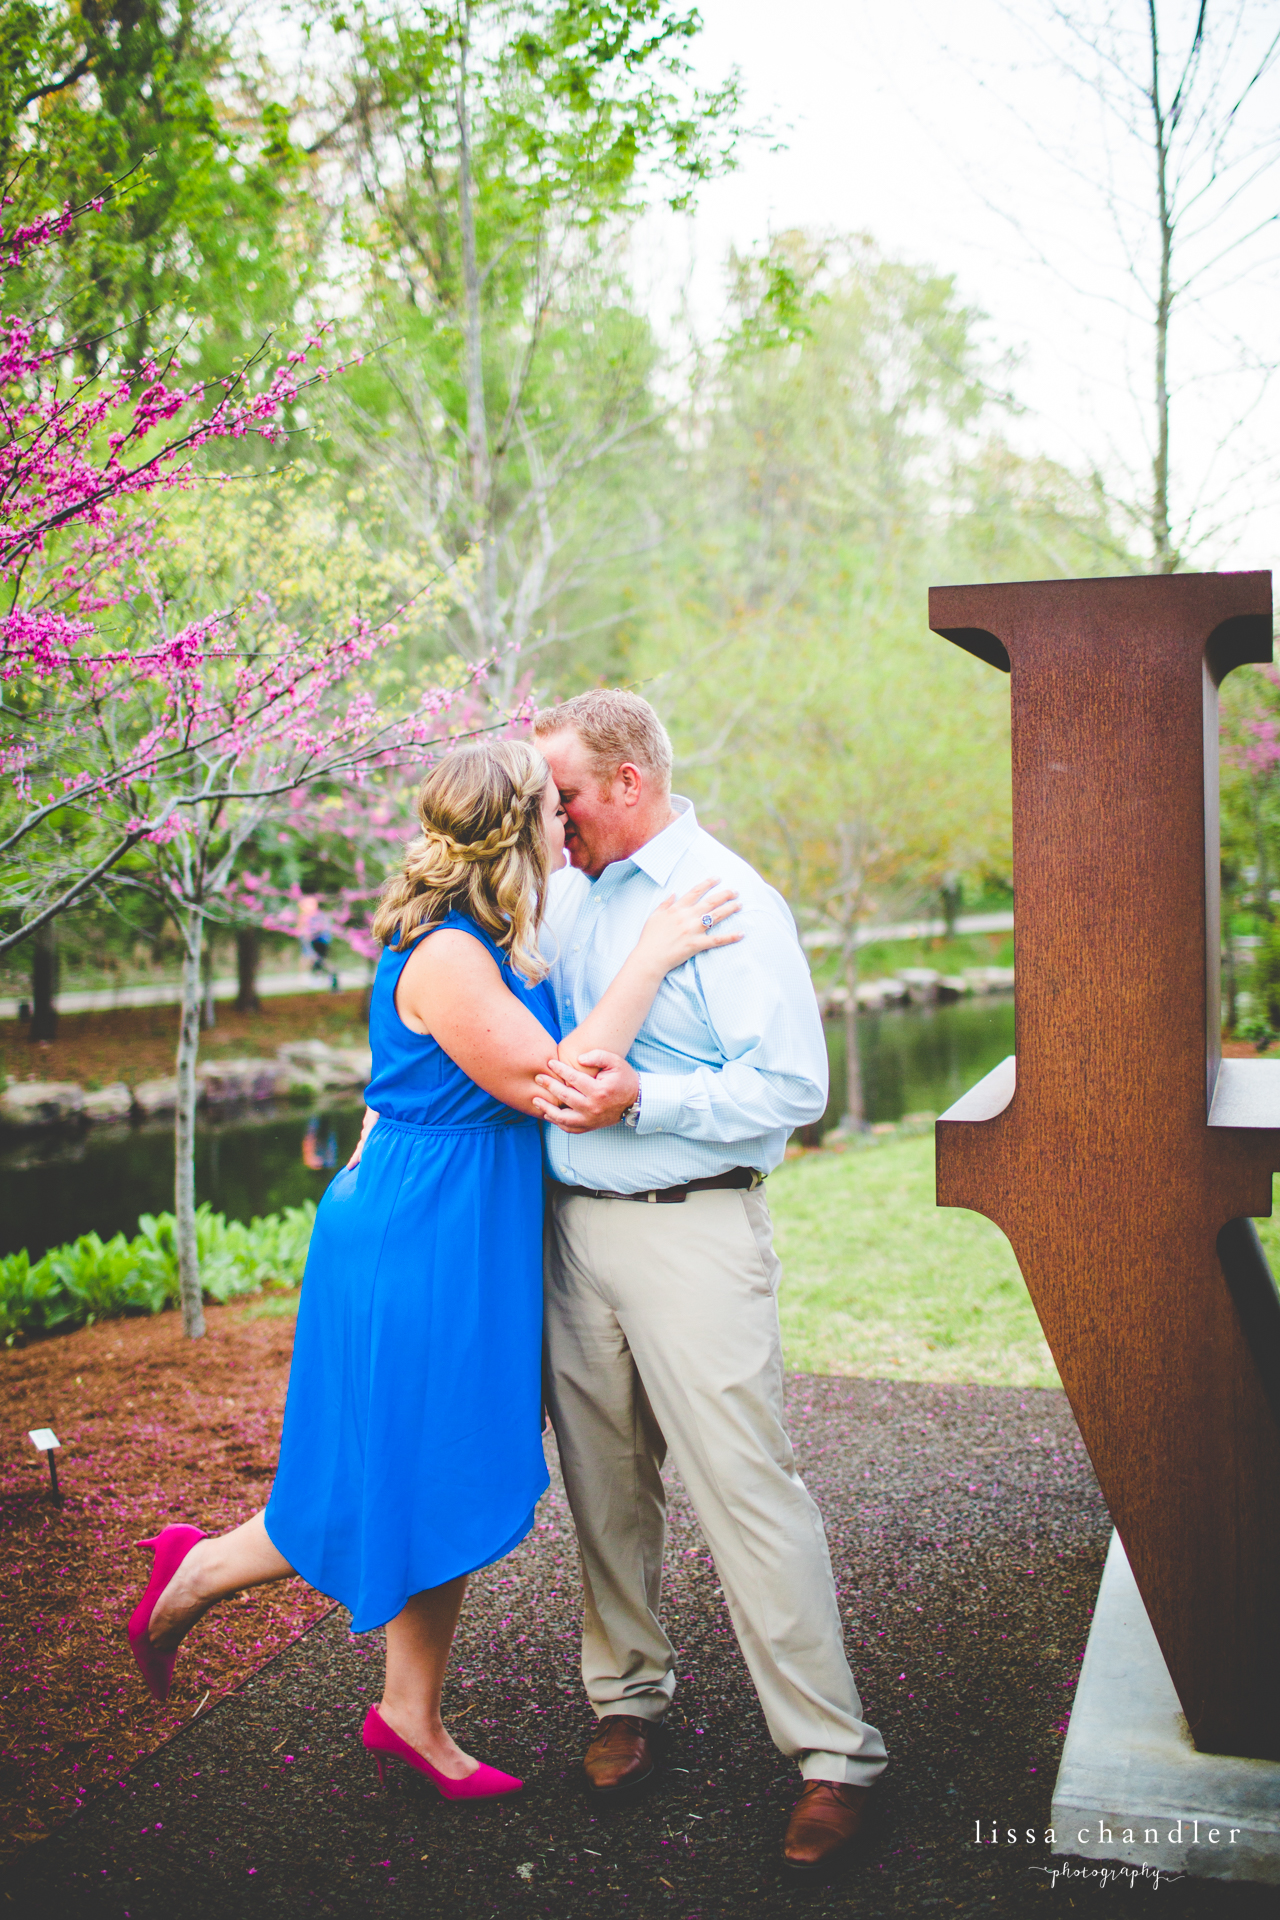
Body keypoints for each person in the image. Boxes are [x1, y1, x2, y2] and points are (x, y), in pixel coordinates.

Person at [126, 739, 741, 1803]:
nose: (568, 819)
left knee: (440, 1467)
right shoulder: (450, 954)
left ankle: (404, 1715)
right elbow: (562, 1084)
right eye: (553, 807)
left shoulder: (499, 939)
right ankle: (198, 1573)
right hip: (419, 1238)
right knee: (394, 1467)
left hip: (467, 1230)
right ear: (516, 827)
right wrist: (652, 954)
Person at [527, 689, 888, 1877]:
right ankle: (625, 1696)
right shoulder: (565, 891)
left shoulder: (733, 901)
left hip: (693, 1231)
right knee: (602, 1486)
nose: (552, 814)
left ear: (627, 783)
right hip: (571, 1234)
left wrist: (651, 1100)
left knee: (746, 1487)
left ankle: (832, 1756)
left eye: (565, 792)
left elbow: (791, 1088)